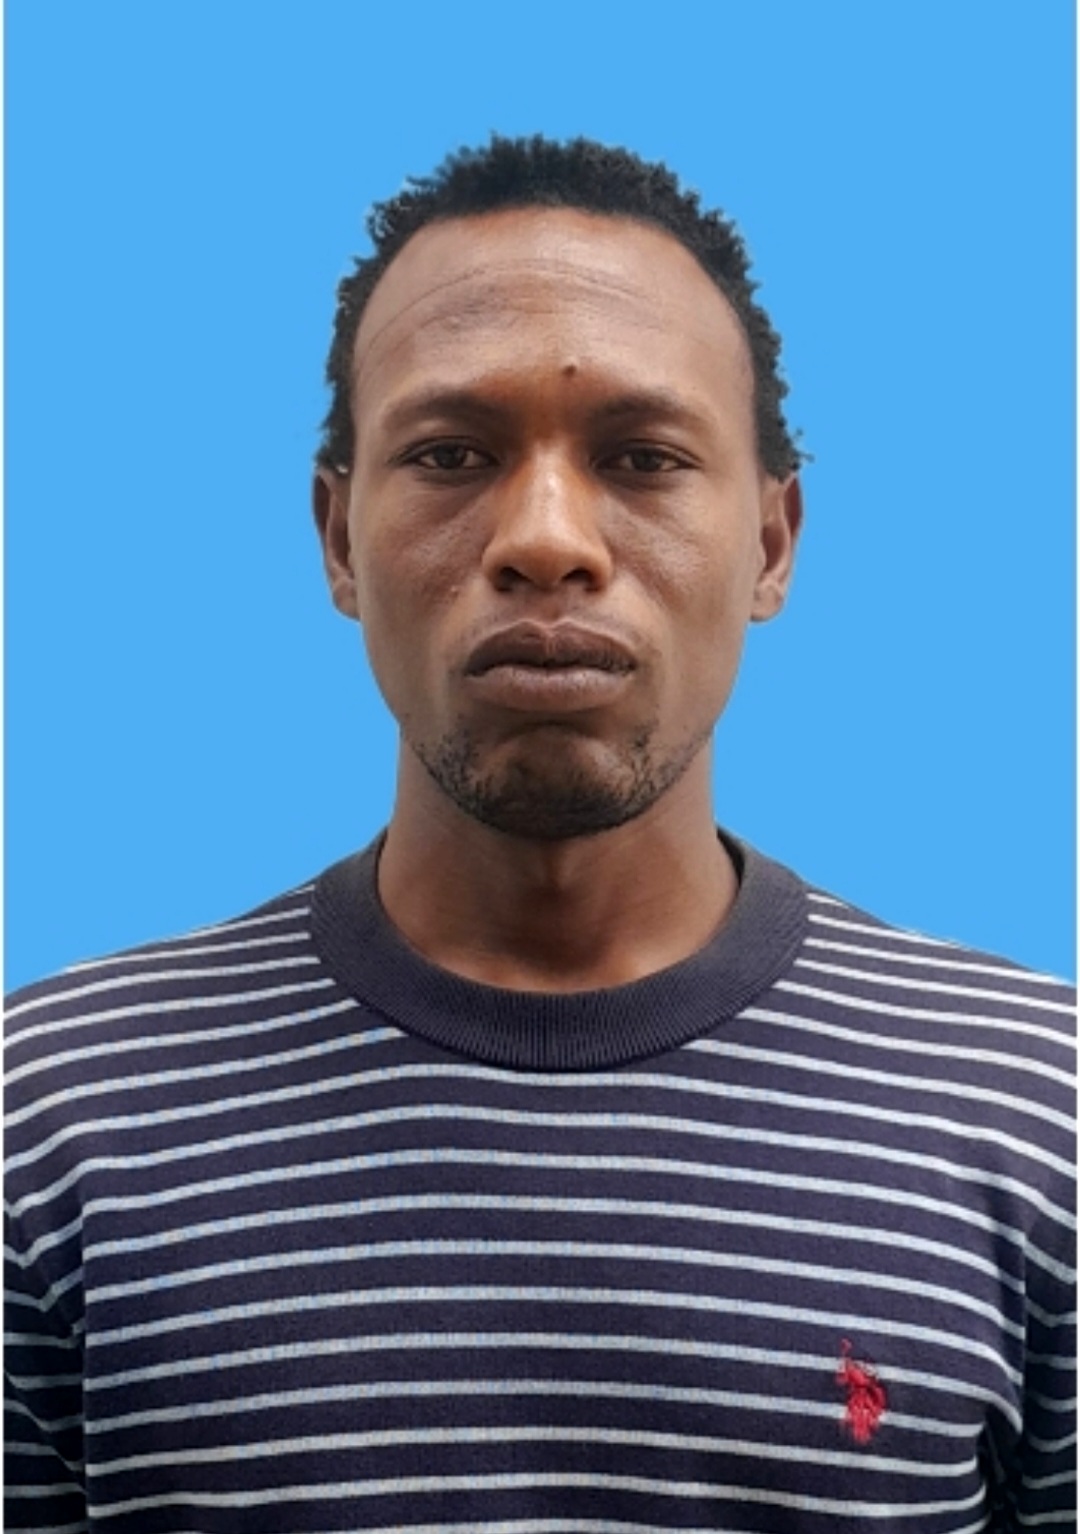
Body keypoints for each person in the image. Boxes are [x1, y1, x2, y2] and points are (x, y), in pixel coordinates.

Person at [6, 135, 1074, 1534]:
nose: (548, 539)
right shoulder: (53, 1124)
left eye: (642, 457)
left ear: (771, 543)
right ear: (339, 538)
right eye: (452, 454)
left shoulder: (1033, 1115)